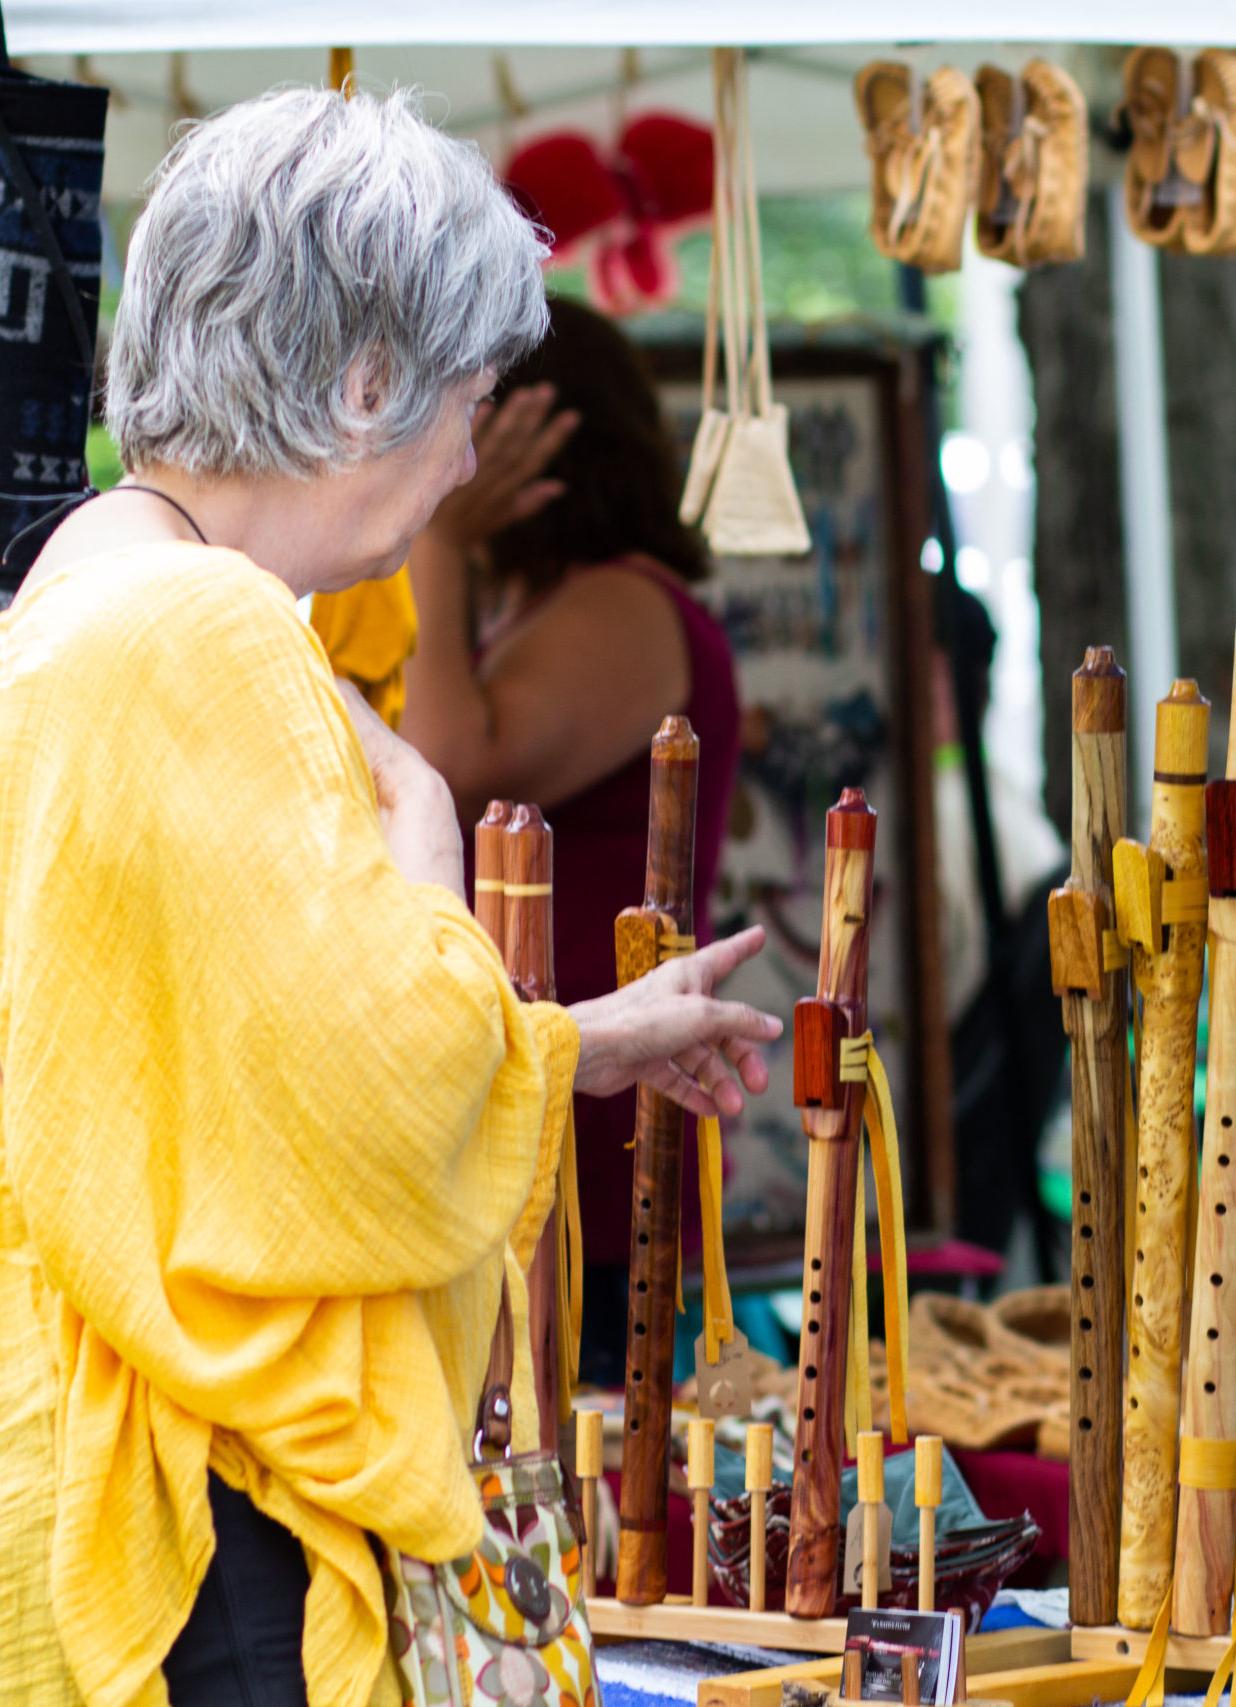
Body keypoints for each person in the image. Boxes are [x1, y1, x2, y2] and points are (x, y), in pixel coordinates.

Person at [0, 88, 782, 1707]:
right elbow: (380, 1099)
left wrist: (578, 1038)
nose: (461, 460)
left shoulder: (81, 591)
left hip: (82, 1473)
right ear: (368, 379)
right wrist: (433, 835)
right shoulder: (208, 634)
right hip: (204, 1516)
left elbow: (229, 1068)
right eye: (462, 404)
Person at [393, 296, 743, 1384]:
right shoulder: (563, 608)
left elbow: (445, 759)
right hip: (562, 1103)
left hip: (595, 1136)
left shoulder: (624, 606)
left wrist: (436, 539)